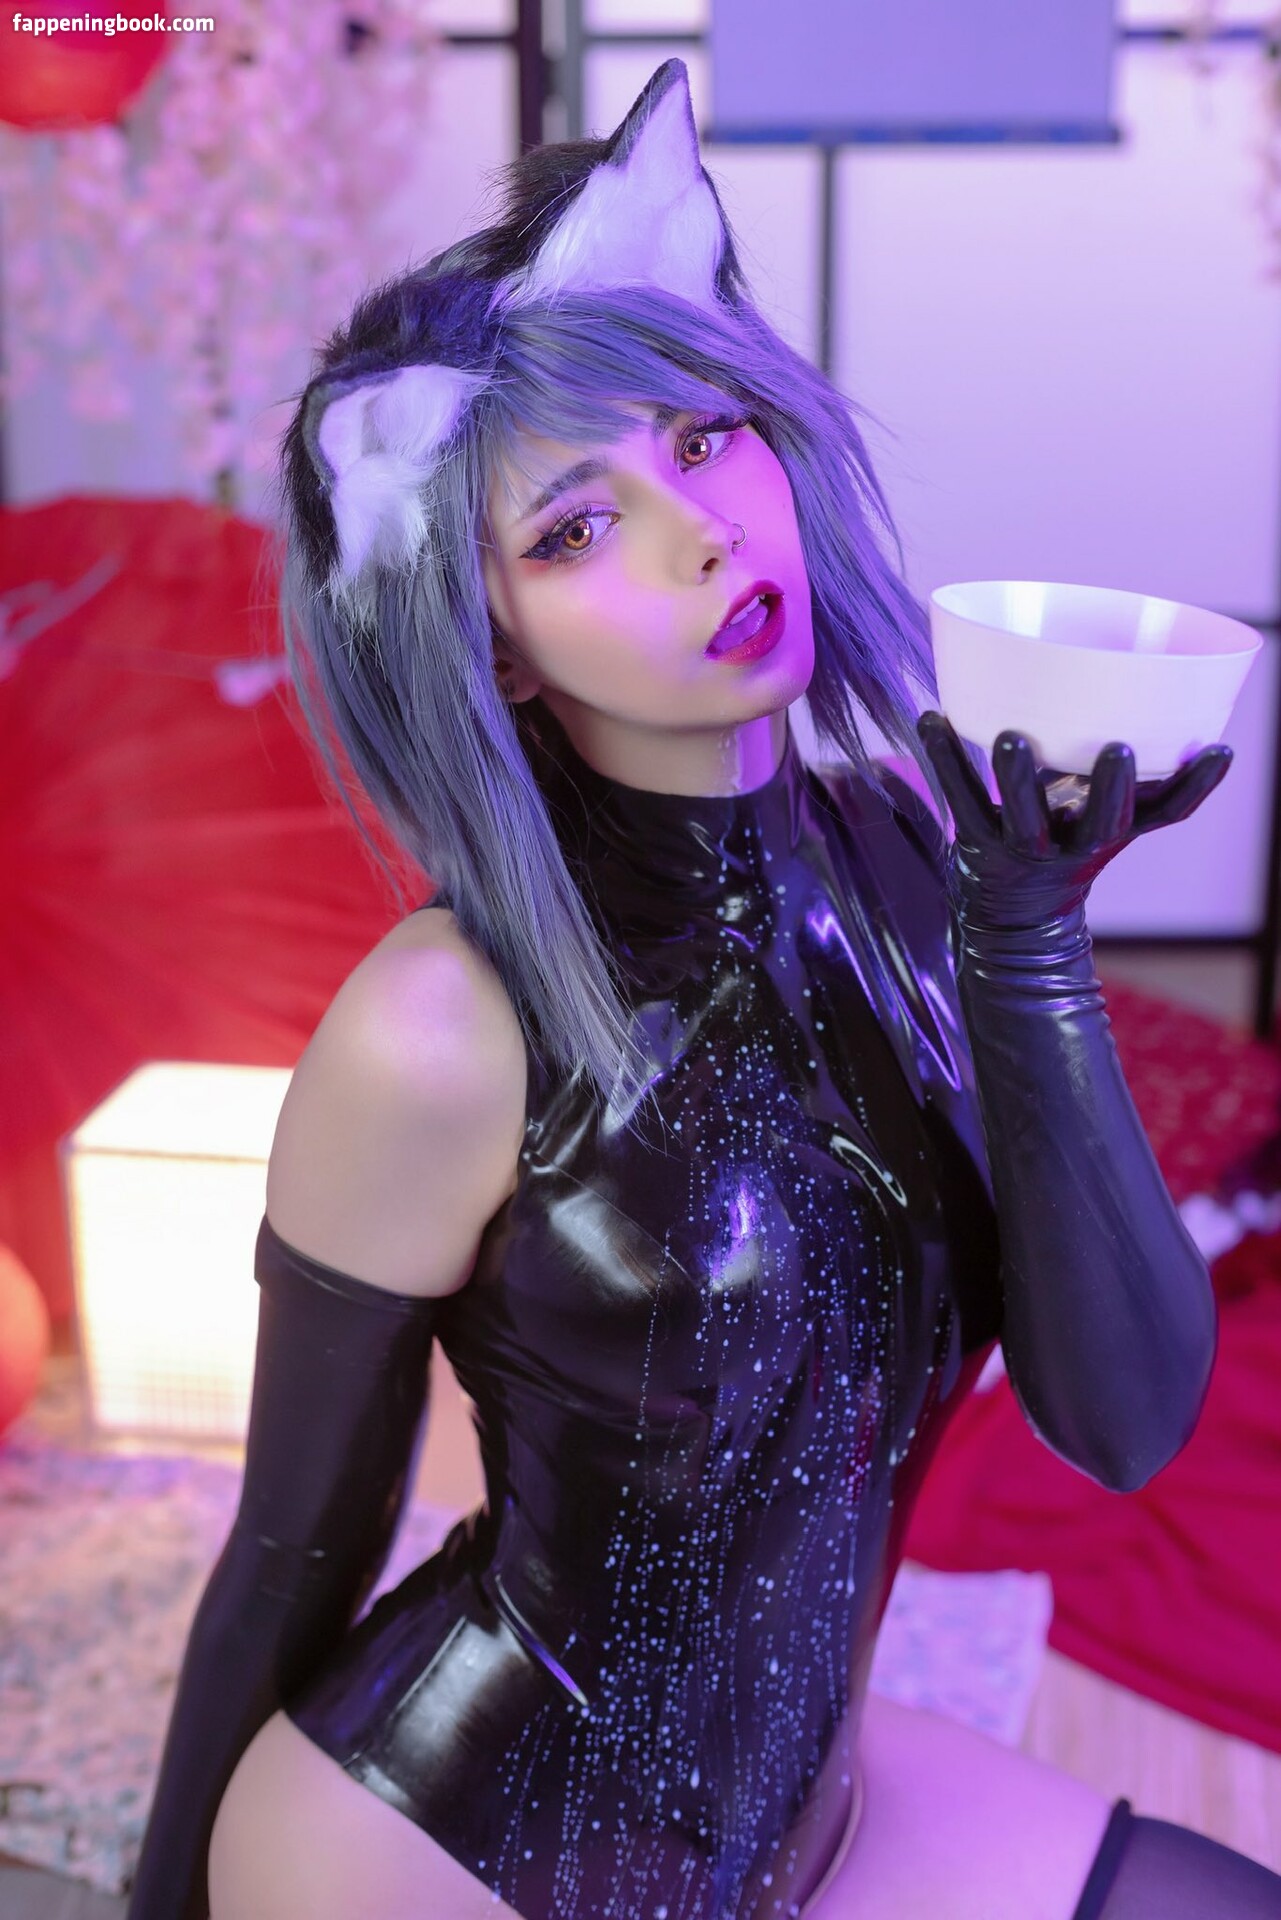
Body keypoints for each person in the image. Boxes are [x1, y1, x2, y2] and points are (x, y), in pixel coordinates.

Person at [125, 60, 1281, 1920]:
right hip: (437, 1843)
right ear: (494, 648)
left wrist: (1033, 947)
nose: (701, 532)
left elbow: (1123, 1427)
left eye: (702, 435)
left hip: (809, 1813)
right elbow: (289, 1548)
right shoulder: (441, 1027)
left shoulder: (918, 867)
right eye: (572, 530)